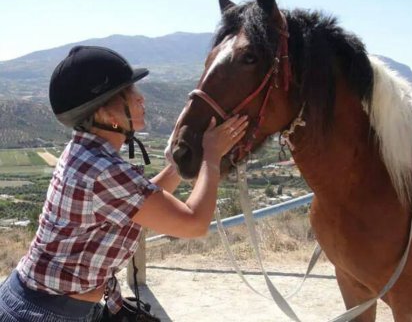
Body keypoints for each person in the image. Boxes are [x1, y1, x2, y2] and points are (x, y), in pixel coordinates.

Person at [0, 46, 248, 321]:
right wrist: (211, 157)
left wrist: (182, 161)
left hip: (41, 302)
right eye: (129, 94)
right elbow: (194, 224)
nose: (140, 98)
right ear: (105, 114)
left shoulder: (85, 153)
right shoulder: (103, 169)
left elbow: (139, 201)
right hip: (46, 313)